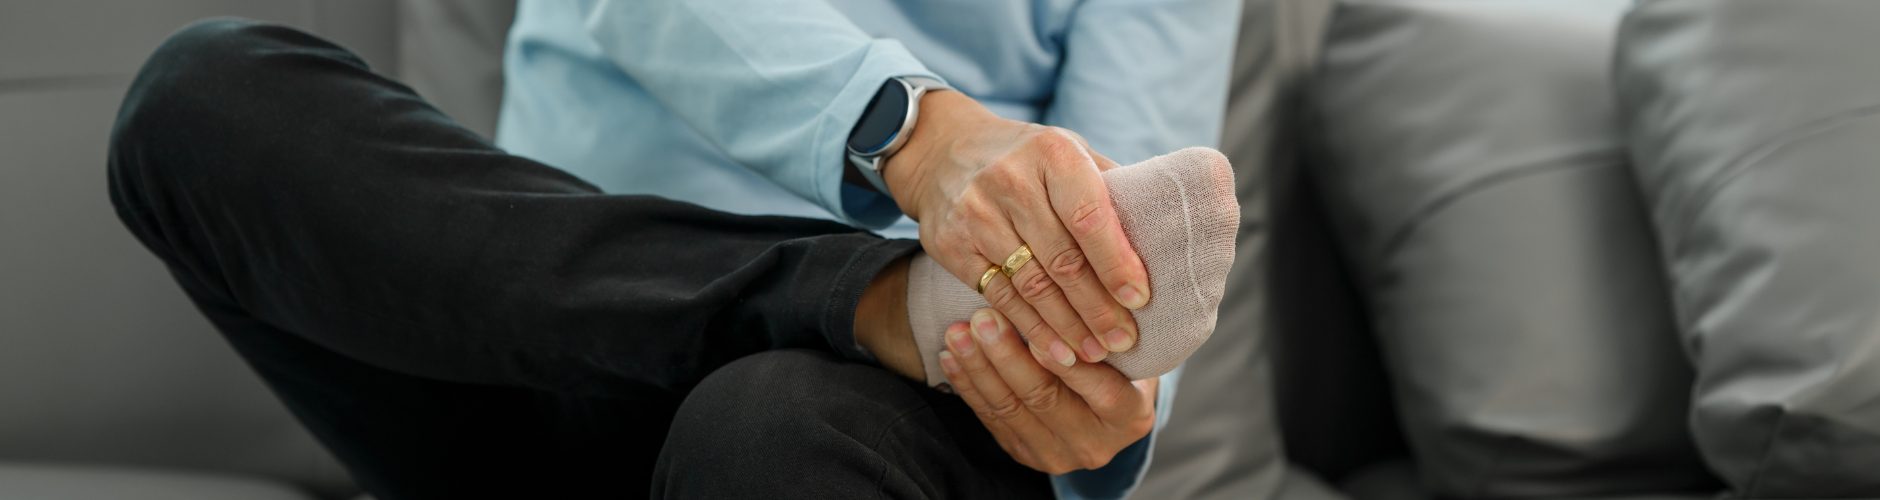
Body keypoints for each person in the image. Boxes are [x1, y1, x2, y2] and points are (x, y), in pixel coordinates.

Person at [109, 18, 1237, 500]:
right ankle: (868, 294)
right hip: (545, 338)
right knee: (198, 102)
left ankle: (871, 315)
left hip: (877, 421)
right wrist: (915, 134)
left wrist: (1103, 382)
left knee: (771, 418)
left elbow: (1144, 246)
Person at [496, 2, 1240, 497]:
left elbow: (1133, 182)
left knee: (770, 428)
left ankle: (915, 309)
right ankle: (895, 300)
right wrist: (920, 137)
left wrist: (1107, 356)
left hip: (888, 393)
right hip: (573, 307)